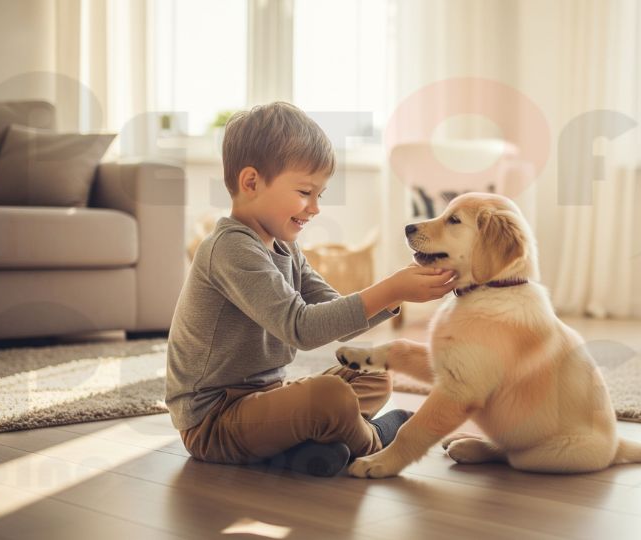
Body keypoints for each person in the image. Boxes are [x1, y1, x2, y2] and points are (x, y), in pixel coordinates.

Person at [165, 102, 456, 476]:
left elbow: (336, 315)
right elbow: (301, 328)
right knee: (329, 398)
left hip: (265, 400)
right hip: (214, 421)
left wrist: (397, 293)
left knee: (373, 369)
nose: (315, 207)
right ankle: (376, 441)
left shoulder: (285, 248)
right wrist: (389, 288)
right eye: (306, 191)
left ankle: (312, 449)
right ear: (251, 183)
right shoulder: (231, 248)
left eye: (320, 194)